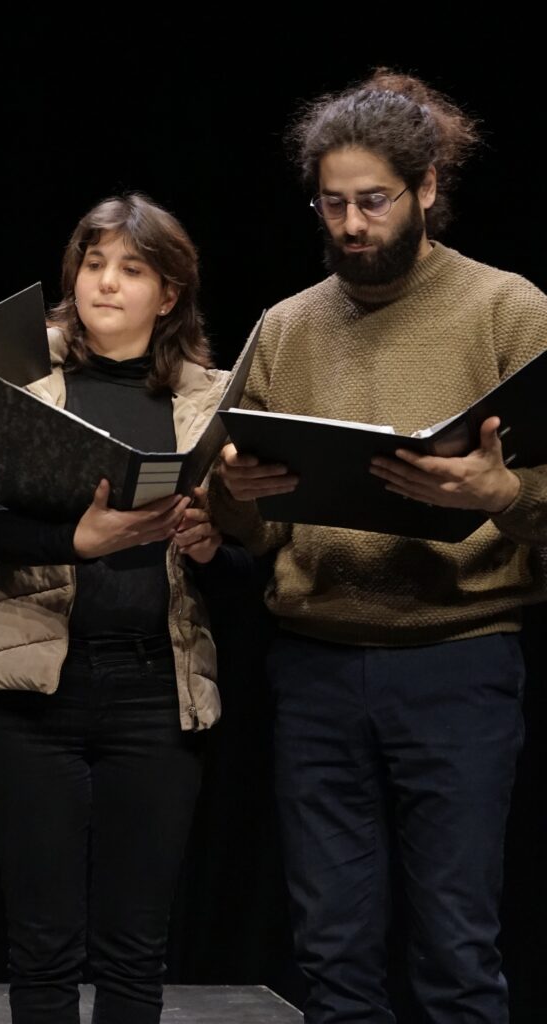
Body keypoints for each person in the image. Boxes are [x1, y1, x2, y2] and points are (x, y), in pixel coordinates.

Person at [211, 70, 547, 1023]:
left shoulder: (507, 310)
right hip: (315, 667)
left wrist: (504, 493)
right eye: (332, 204)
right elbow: (240, 518)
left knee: (454, 944)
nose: (352, 225)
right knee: (334, 953)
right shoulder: (286, 325)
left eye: (373, 201)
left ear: (428, 188)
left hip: (458, 664)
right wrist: (234, 497)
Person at [0, 194, 236, 1024]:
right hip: (34, 689)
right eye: (93, 264)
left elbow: (260, 539)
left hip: (158, 693)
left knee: (134, 947)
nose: (106, 284)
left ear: (170, 293)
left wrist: (212, 542)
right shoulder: (21, 378)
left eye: (132, 269)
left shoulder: (210, 395)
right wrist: (75, 543)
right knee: (42, 942)